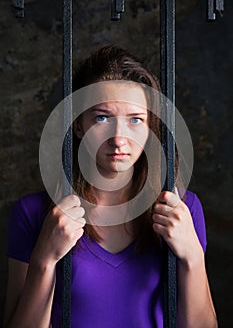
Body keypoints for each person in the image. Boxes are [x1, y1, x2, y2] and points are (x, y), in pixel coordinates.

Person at [4, 45, 217, 328]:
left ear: (150, 128)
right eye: (102, 118)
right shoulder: (33, 213)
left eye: (135, 120)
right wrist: (44, 259)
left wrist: (191, 256)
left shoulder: (183, 210)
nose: (119, 139)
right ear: (79, 125)